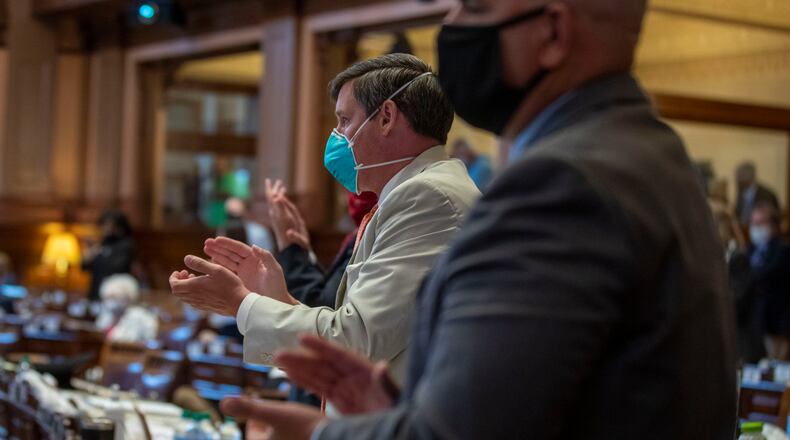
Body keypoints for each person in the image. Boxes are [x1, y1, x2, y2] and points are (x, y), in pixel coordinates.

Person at [218, 0, 737, 438]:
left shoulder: (559, 183)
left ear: (553, 31)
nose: (453, 21)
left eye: (477, 6)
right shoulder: (650, 153)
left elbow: (465, 431)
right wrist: (397, 401)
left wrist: (324, 432)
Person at [170, 53, 480, 385]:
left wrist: (241, 304)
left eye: (345, 120)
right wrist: (276, 299)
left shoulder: (426, 196)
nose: (337, 135)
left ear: (387, 116)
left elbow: (357, 343)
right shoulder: (415, 190)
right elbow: (359, 329)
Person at [265, 178, 378, 309]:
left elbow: (325, 311)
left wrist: (291, 248)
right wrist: (304, 252)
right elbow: (330, 292)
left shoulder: (376, 230)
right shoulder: (364, 227)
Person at [748, 203, 790, 360]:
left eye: (760, 223)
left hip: (775, 324)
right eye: (753, 223)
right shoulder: (750, 249)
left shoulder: (783, 250)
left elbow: (765, 276)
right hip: (755, 324)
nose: (755, 228)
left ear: (773, 225)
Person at [82, 210, 136, 301]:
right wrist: (89, 255)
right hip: (95, 293)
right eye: (104, 225)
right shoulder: (102, 243)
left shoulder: (126, 244)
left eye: (109, 225)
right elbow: (85, 266)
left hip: (115, 296)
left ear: (119, 227)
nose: (105, 228)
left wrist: (101, 254)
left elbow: (118, 267)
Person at [736, 161, 780, 226]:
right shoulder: (740, 195)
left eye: (739, 176)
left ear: (748, 177)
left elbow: (773, 220)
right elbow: (738, 216)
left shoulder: (767, 195)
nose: (737, 180)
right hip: (743, 233)